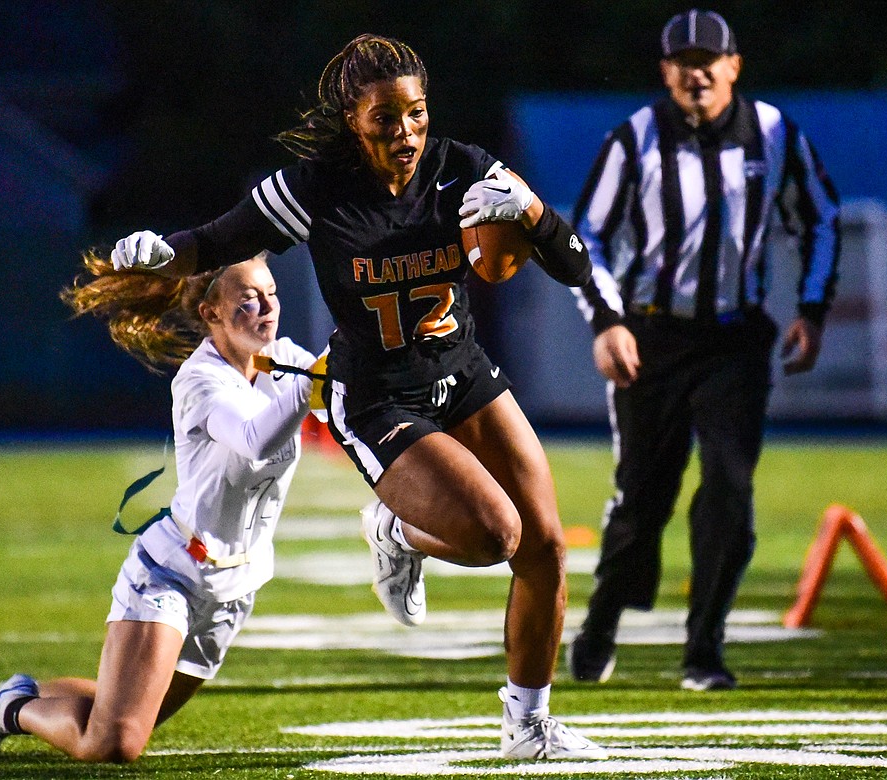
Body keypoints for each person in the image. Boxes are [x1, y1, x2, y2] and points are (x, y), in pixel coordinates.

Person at [108, 34, 606, 761]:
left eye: (416, 114)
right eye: (384, 118)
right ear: (352, 119)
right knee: (495, 535)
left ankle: (528, 725)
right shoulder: (317, 187)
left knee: (548, 548)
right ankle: (397, 530)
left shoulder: (462, 169)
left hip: (461, 369)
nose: (404, 132)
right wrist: (164, 252)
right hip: (376, 395)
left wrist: (532, 213)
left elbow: (576, 266)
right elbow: (219, 240)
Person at [0, 252, 324, 761]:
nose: (267, 308)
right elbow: (257, 438)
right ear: (211, 315)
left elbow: (346, 399)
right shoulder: (201, 380)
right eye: (248, 301)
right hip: (176, 572)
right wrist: (322, 376)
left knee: (127, 716)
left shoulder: (284, 358)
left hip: (236, 585)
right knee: (114, 743)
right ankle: (4, 709)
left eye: (272, 294)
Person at [566, 9, 841, 691]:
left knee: (729, 487)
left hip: (734, 340)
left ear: (734, 66)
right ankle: (602, 619)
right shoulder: (634, 139)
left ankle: (704, 649)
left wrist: (810, 309)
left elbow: (822, 217)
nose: (697, 73)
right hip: (652, 337)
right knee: (643, 502)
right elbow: (585, 236)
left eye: (708, 60)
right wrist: (605, 321)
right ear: (665, 72)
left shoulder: (773, 133)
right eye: (682, 62)